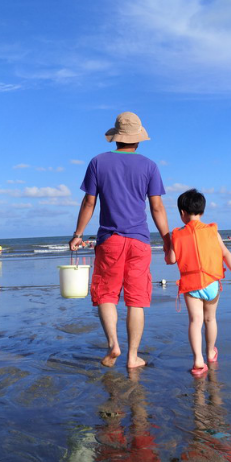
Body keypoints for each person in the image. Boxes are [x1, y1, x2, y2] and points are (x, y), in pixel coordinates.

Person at [69, 111, 170, 369]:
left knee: (106, 295)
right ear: (138, 139)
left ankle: (113, 344)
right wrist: (167, 238)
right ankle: (132, 356)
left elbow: (89, 202)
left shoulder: (98, 162)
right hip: (139, 241)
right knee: (136, 300)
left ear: (116, 138)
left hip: (110, 239)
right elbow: (157, 207)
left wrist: (78, 234)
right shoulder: (149, 166)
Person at [167, 189, 231, 376]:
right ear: (202, 211)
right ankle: (210, 352)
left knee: (195, 321)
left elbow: (171, 260)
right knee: (210, 319)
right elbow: (225, 253)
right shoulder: (212, 231)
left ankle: (198, 361)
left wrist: (167, 245)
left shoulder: (177, 235)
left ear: (182, 213)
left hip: (191, 284)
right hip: (211, 282)